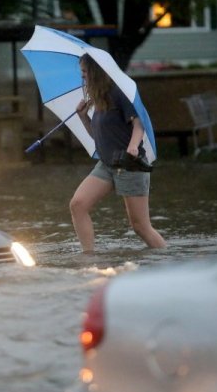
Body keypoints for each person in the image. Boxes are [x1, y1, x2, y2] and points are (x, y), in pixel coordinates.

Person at [70, 53, 166, 253]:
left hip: (129, 164)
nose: (83, 77)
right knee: (78, 205)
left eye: (85, 72)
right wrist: (83, 117)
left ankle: (166, 259)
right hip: (106, 164)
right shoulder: (99, 100)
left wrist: (133, 146)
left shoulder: (119, 93)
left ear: (95, 72)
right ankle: (88, 256)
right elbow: (98, 137)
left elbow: (139, 123)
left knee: (140, 227)